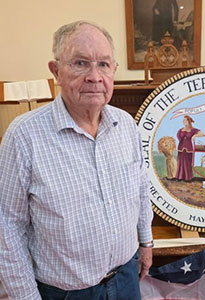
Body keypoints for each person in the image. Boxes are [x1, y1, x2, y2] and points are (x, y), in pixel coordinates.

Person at [0, 21, 153, 300]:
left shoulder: (127, 125)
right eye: (80, 63)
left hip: (126, 278)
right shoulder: (24, 137)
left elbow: (141, 188)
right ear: (56, 71)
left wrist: (146, 242)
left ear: (113, 70)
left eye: (104, 65)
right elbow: (7, 226)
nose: (95, 76)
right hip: (66, 294)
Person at [176, 115, 204, 181]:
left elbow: (202, 133)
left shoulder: (193, 130)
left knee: (187, 163)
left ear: (188, 121)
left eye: (185, 120)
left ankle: (187, 178)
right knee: (180, 162)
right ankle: (179, 177)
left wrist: (195, 136)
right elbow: (179, 137)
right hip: (181, 148)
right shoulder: (180, 130)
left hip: (189, 149)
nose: (183, 121)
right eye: (183, 120)